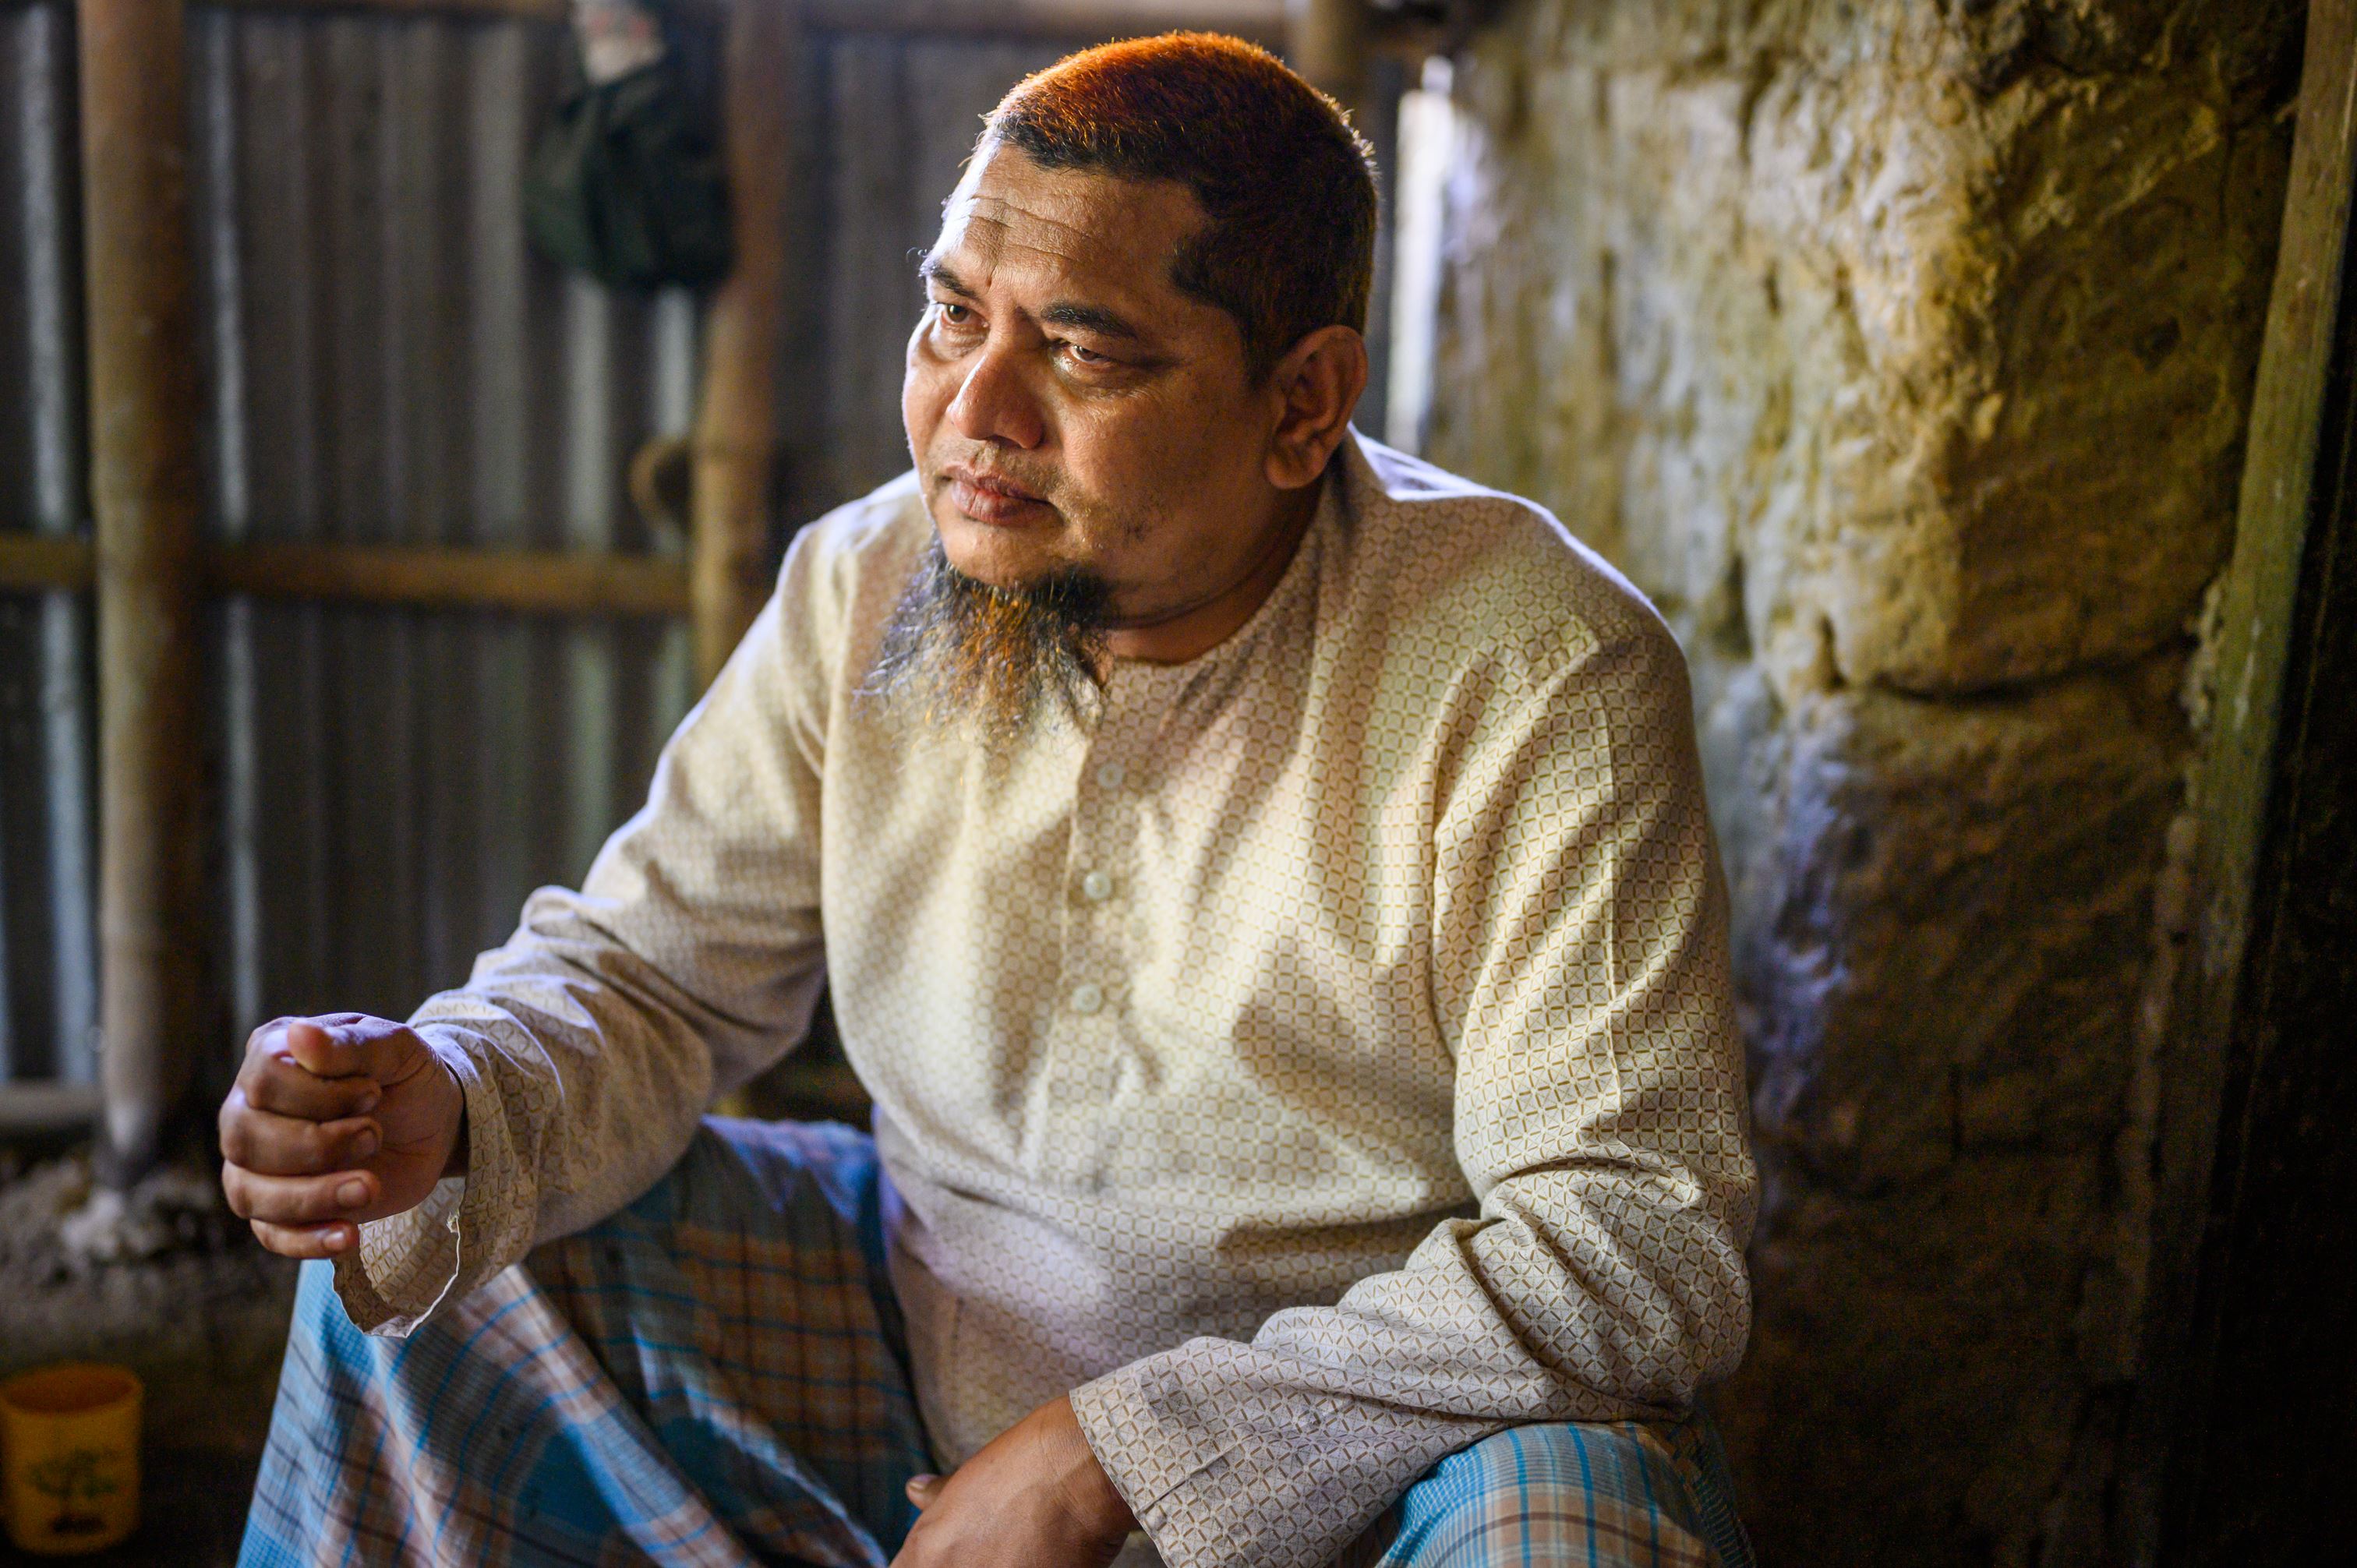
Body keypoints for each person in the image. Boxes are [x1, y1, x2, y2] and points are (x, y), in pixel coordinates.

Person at [221, 33, 1757, 1568]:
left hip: (1358, 1468)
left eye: (1081, 352)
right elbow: (648, 980)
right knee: (431, 1252)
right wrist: (450, 1089)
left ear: (1304, 403)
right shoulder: (869, 575)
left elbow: (1641, 1240)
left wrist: (1129, 1454)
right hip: (920, 1354)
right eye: (953, 315)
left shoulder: (1538, 670)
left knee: (1567, 1527)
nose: (975, 412)